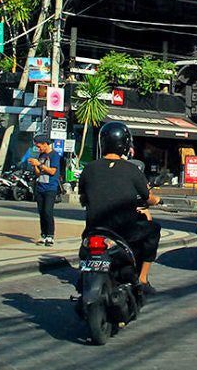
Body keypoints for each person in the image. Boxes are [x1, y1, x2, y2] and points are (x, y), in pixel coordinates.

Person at [79, 121, 161, 295]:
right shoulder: (133, 170)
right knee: (153, 229)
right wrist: (157, 200)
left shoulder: (88, 169)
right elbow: (148, 198)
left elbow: (83, 198)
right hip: (124, 232)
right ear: (125, 145)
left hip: (93, 231)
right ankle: (143, 279)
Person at [27, 133, 62, 246]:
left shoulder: (54, 155)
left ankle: (50, 235)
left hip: (50, 188)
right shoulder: (41, 156)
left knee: (48, 211)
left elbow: (52, 171)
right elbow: (38, 174)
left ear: (45, 144)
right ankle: (43, 234)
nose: (38, 148)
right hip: (40, 186)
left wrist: (40, 165)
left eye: (39, 146)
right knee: (41, 212)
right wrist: (35, 166)